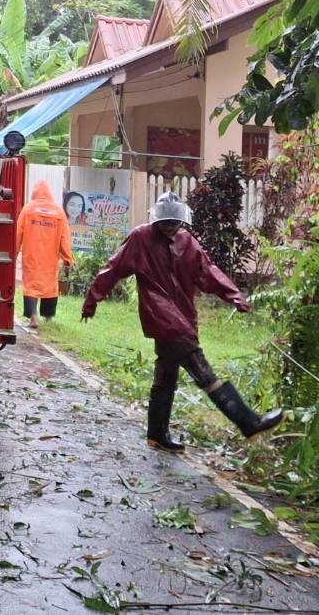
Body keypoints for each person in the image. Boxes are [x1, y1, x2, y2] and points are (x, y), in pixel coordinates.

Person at [81, 192, 283, 451]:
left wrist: (233, 295)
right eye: (165, 222)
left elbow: (208, 272)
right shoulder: (141, 238)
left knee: (166, 375)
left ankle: (157, 434)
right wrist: (92, 301)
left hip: (184, 317)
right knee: (203, 371)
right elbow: (113, 268)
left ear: (182, 222)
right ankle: (248, 422)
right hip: (163, 318)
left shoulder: (187, 241)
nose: (169, 226)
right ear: (156, 220)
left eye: (174, 223)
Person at [16, 181, 73, 329]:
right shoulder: (59, 213)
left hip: (31, 257)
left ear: (35, 193)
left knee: (30, 285)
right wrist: (68, 258)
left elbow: (17, 234)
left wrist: (14, 253)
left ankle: (33, 318)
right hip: (50, 259)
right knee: (50, 286)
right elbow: (64, 239)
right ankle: (48, 318)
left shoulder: (28, 209)